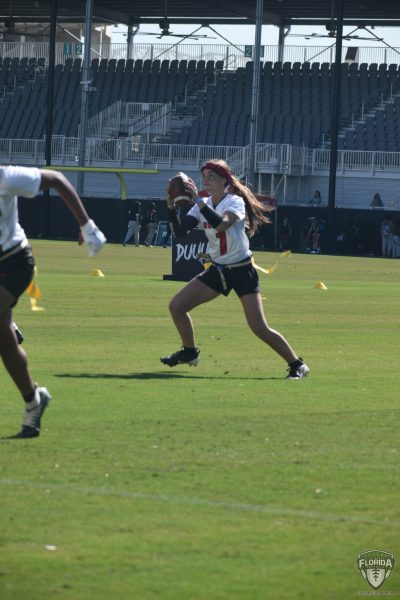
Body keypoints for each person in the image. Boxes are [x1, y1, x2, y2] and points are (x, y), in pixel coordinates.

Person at [160, 159, 309, 379]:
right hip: (218, 270)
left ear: (225, 180)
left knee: (258, 327)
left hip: (241, 270)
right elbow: (179, 233)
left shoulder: (234, 201)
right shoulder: (202, 204)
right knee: (177, 306)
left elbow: (222, 225)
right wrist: (171, 207)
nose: (206, 181)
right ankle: (190, 352)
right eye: (204, 177)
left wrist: (199, 202)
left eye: (212, 177)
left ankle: (298, 365)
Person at [0, 165, 106, 438]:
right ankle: (33, 400)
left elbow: (57, 179)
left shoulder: (5, 177)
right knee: (6, 347)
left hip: (14, 262)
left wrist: (87, 226)